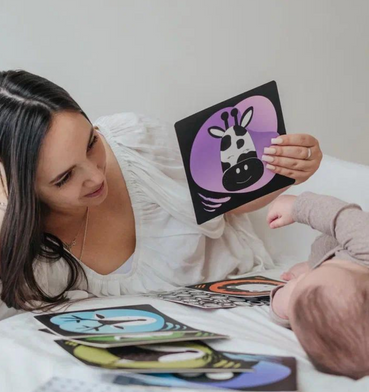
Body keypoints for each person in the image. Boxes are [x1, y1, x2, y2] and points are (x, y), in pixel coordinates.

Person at [0, 69, 322, 320]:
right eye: (65, 177)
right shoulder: (20, 245)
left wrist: (288, 170)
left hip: (244, 297)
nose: (96, 175)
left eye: (90, 143)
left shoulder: (138, 140)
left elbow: (227, 199)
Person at [267, 192, 369, 379]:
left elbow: (284, 311)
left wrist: (285, 304)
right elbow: (339, 217)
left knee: (323, 274)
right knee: (336, 243)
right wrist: (296, 207)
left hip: (363, 252)